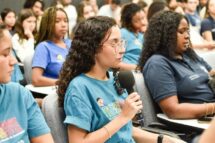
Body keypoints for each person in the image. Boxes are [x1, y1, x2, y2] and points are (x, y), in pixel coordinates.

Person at [57, 16, 185, 143]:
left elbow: (127, 130)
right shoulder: (79, 88)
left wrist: (164, 139)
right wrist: (123, 117)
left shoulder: (114, 78)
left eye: (121, 43)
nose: (122, 50)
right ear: (94, 47)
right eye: (114, 43)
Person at [139, 10, 215, 119]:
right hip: (198, 122)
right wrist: (212, 108)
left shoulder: (189, 54)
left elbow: (212, 73)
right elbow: (173, 110)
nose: (187, 36)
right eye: (181, 31)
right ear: (165, 35)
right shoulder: (158, 63)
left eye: (187, 31)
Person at [0, 24, 54, 143]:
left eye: (11, 53)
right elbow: (37, 79)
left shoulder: (20, 94)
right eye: (5, 54)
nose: (13, 61)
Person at [32, 7, 71, 87]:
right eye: (57, 21)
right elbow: (36, 80)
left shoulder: (71, 43)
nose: (63, 25)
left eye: (65, 21)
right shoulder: (43, 47)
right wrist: (63, 83)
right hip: (54, 92)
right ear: (47, 24)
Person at [119, 3, 147, 70]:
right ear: (129, 21)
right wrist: (138, 68)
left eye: (143, 18)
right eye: (138, 20)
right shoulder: (122, 33)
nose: (143, 22)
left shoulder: (141, 35)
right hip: (129, 72)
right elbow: (115, 63)